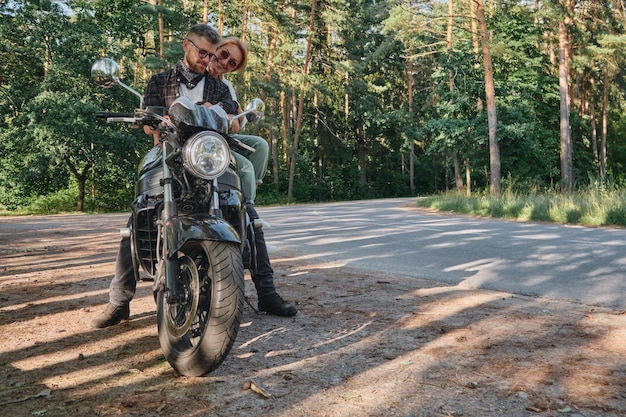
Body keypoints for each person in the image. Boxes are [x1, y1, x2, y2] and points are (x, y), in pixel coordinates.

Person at [90, 24, 297, 329]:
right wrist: (151, 121)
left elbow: (232, 118)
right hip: (169, 152)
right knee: (140, 210)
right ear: (186, 45)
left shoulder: (221, 86)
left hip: (207, 155)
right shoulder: (160, 80)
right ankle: (119, 301)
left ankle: (266, 293)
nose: (208, 60)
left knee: (246, 213)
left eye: (212, 55)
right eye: (204, 53)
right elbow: (149, 122)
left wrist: (222, 114)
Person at [209, 37, 269, 203]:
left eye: (232, 63)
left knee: (260, 146)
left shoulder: (226, 86)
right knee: (245, 167)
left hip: (224, 137)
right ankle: (248, 209)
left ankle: (248, 197)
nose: (224, 62)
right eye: (224, 54)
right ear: (216, 49)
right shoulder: (198, 77)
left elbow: (236, 123)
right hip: (204, 140)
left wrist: (241, 113)